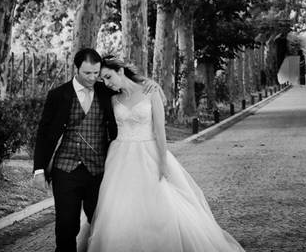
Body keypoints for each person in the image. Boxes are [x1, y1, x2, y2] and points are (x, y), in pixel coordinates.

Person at [82, 56, 245, 252]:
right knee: (120, 206)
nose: (107, 83)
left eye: (108, 77)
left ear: (121, 71)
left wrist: (162, 161)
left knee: (160, 202)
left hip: (149, 153)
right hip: (119, 157)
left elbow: (160, 132)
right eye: (103, 80)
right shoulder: (111, 97)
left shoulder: (150, 92)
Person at [32, 48, 157, 252]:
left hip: (99, 170)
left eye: (96, 73)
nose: (92, 78)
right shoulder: (58, 95)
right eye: (87, 73)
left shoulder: (105, 90)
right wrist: (38, 169)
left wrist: (149, 82)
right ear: (76, 69)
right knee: (66, 226)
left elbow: (128, 84)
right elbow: (44, 133)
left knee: (101, 223)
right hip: (65, 169)